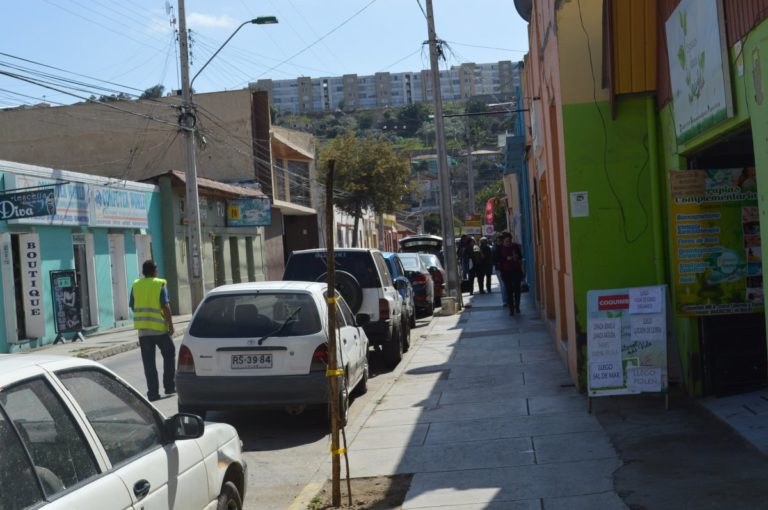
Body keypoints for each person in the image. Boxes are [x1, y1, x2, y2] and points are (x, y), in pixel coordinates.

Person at [130, 260, 176, 401]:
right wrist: (170, 324)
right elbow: (165, 306)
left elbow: (132, 305)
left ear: (143, 272)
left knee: (149, 363)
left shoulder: (136, 285)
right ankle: (169, 386)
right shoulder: (159, 284)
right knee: (169, 354)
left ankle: (153, 393)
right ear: (155, 270)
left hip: (143, 331)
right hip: (159, 330)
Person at [499, 233, 524, 315]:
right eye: (506, 241)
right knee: (509, 290)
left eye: (509, 241)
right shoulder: (500, 248)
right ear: (503, 241)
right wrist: (506, 258)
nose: (508, 243)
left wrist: (517, 257)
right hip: (506, 272)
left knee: (517, 289)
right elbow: (498, 259)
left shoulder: (515, 246)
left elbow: (520, 256)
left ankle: (517, 306)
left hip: (516, 271)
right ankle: (511, 309)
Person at [492, 235, 508, 306]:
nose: (499, 242)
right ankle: (505, 301)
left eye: (500, 241)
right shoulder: (496, 249)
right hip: (500, 269)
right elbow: (495, 260)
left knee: (504, 285)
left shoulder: (501, 248)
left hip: (503, 268)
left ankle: (506, 300)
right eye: (498, 241)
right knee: (503, 284)